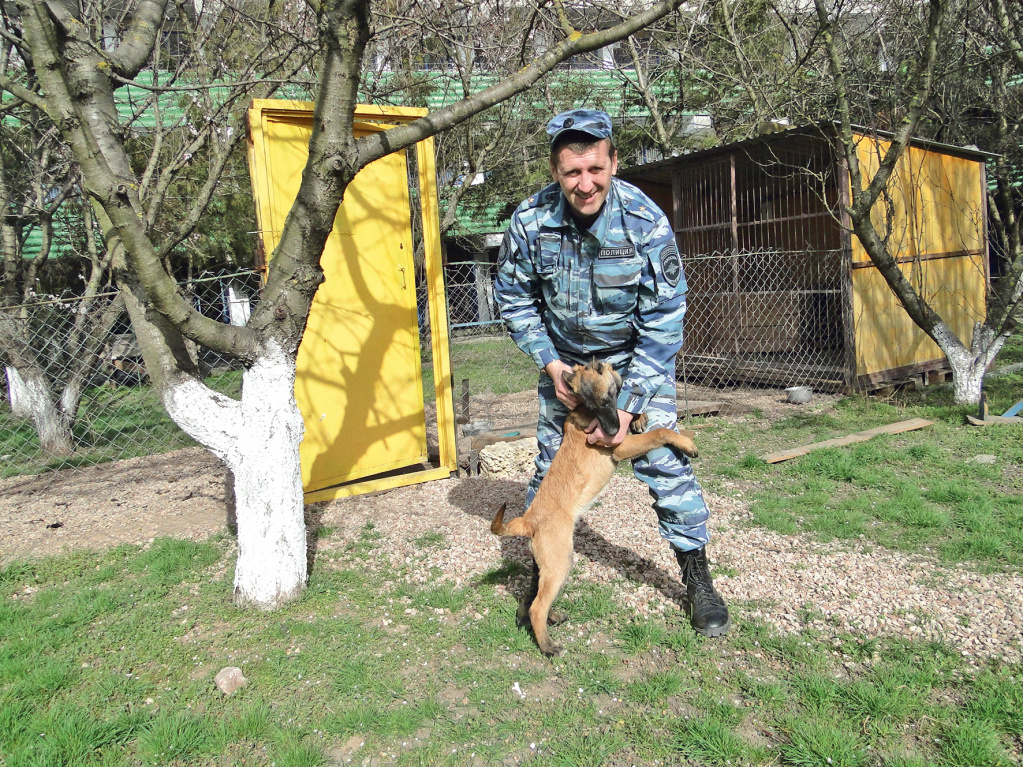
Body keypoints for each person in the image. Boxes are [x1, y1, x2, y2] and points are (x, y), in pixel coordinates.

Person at [493, 109, 730, 637]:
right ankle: (540, 588)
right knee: (546, 475)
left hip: (633, 364)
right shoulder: (529, 220)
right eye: (572, 172)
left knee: (666, 464)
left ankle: (697, 579)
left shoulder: (645, 220)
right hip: (566, 370)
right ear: (556, 171)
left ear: (613, 162)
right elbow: (513, 300)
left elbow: (665, 320)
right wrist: (552, 365)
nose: (585, 184)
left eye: (595, 169)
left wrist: (628, 404)